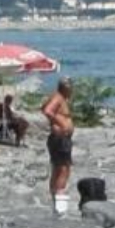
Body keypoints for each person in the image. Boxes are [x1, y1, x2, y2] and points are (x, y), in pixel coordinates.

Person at [42, 77, 74, 215]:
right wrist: (61, 124)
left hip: (60, 138)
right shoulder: (59, 98)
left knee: (58, 169)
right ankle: (59, 204)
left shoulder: (58, 98)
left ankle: (56, 202)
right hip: (60, 139)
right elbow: (48, 111)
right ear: (66, 88)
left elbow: (43, 107)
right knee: (63, 170)